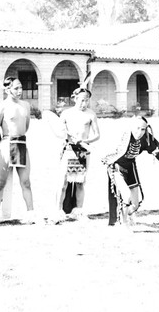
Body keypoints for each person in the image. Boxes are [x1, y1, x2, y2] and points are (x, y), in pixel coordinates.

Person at [102, 116, 159, 228]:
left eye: (143, 129)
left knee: (135, 204)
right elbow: (107, 150)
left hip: (130, 167)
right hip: (116, 167)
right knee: (125, 196)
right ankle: (123, 224)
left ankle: (127, 215)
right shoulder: (123, 136)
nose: (139, 132)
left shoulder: (146, 139)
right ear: (131, 126)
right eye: (137, 128)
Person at [0, 77, 36, 225]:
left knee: (26, 182)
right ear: (7, 89)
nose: (20, 91)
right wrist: (3, 143)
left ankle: (31, 214)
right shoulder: (1, 107)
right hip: (6, 143)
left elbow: (26, 126)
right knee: (1, 182)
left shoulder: (26, 105)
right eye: (16, 88)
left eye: (21, 87)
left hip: (21, 143)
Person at [53, 87, 100, 222]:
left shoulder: (91, 114)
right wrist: (66, 137)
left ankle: (78, 211)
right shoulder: (66, 114)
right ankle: (58, 211)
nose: (84, 103)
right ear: (75, 99)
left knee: (80, 183)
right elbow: (60, 132)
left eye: (86, 101)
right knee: (63, 182)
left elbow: (97, 135)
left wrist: (85, 140)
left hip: (83, 151)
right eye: (81, 100)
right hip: (68, 150)